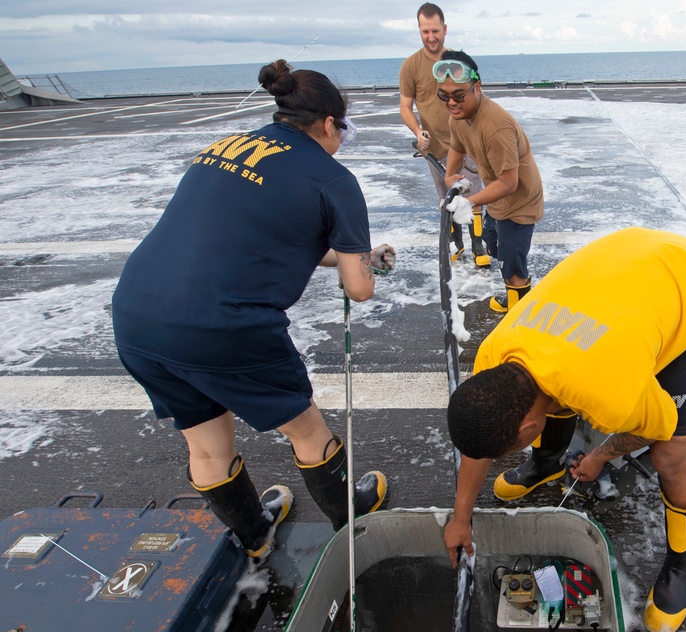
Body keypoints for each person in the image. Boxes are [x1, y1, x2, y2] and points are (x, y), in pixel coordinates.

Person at [112, 60, 393, 560]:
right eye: (342, 129)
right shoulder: (334, 179)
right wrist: (364, 267)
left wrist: (354, 258)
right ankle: (352, 522)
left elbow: (265, 239)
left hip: (137, 314)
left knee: (204, 446)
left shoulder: (226, 146)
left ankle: (255, 537)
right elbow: (361, 291)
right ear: (329, 123)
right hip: (224, 324)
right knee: (306, 430)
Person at [444, 228, 686, 632]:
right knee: (552, 390)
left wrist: (598, 457)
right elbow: (482, 437)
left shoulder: (606, 395)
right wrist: (460, 519)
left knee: (672, 454)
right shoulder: (494, 356)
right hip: (624, 263)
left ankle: (683, 563)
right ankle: (545, 463)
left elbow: (656, 428)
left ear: (528, 429)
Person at [437, 50, 544, 313]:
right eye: (444, 95)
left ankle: (519, 319)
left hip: (519, 205)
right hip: (498, 202)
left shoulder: (495, 127)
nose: (451, 102)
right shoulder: (459, 116)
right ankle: (515, 295)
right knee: (495, 247)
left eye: (459, 95)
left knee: (513, 267)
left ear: (477, 87)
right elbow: (457, 146)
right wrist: (451, 176)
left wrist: (469, 202)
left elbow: (509, 183)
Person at [399, 3, 488, 266]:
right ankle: (456, 244)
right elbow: (405, 107)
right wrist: (418, 131)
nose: (431, 37)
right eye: (425, 31)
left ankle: (478, 247)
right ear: (419, 30)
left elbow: (478, 96)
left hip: (465, 145)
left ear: (445, 29)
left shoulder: (459, 61)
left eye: (435, 30)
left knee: (473, 196)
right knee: (446, 199)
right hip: (435, 149)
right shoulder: (410, 66)